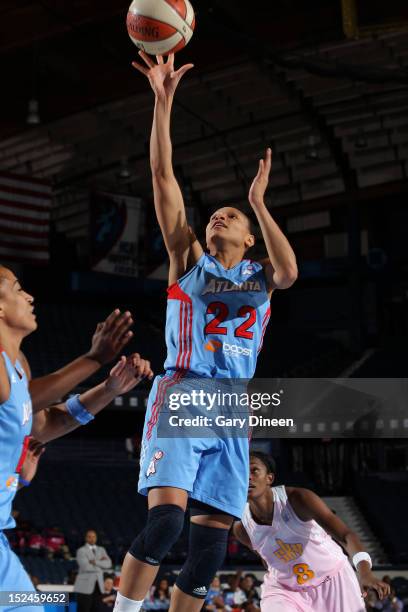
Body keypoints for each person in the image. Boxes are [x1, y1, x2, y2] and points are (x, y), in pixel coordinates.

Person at [114, 53, 297, 612]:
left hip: (233, 409)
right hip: (184, 389)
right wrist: (162, 102)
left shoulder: (262, 278)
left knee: (209, 550)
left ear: (248, 238)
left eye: (230, 217)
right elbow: (162, 177)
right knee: (167, 522)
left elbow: (288, 272)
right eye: (215, 214)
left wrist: (258, 204)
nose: (219, 217)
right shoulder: (187, 259)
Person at [0, 265, 153, 608]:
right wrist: (92, 358)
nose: (30, 296)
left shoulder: (18, 365)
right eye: (18, 288)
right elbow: (22, 398)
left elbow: (47, 423)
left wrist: (109, 388)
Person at [233, 452, 391, 612]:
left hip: (333, 580)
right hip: (285, 590)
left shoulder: (298, 499)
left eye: (254, 471)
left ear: (270, 478)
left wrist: (365, 573)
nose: (248, 477)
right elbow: (266, 559)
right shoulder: (241, 528)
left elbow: (346, 535)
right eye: (243, 472)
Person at [74, 530, 113, 612]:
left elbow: (108, 563)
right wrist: (101, 565)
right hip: (84, 586)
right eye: (89, 537)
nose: (92, 539)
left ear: (96, 538)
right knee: (84, 609)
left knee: (97, 609)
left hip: (99, 585)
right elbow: (85, 567)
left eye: (94, 537)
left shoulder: (101, 549)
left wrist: (95, 561)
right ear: (86, 538)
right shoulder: (81, 550)